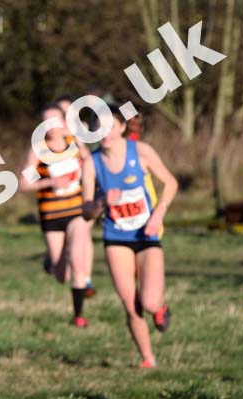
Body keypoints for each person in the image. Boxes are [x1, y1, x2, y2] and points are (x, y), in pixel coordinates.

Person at [82, 105, 178, 368]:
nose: (106, 133)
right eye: (98, 127)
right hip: (116, 237)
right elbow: (86, 212)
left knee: (148, 301)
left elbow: (171, 183)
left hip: (146, 235)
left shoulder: (142, 152)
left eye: (111, 126)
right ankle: (148, 359)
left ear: (122, 127)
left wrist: (158, 215)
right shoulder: (92, 163)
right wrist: (101, 202)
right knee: (130, 303)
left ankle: (159, 308)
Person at [20, 104, 93, 327]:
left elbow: (90, 163)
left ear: (63, 122)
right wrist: (51, 182)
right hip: (51, 215)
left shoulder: (74, 143)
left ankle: (78, 315)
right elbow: (23, 183)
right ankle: (53, 262)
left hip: (76, 212)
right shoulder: (38, 151)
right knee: (62, 275)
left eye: (55, 121)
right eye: (45, 122)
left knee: (78, 260)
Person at [55, 94, 97, 297]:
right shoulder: (49, 133)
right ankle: (55, 256)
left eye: (67, 112)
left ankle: (85, 278)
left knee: (84, 232)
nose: (64, 117)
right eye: (61, 113)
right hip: (58, 198)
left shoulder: (79, 128)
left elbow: (87, 155)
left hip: (83, 190)